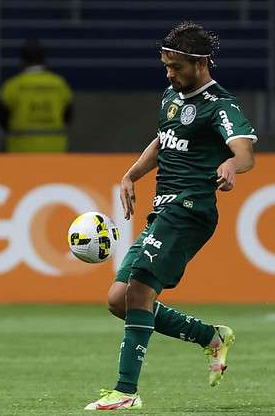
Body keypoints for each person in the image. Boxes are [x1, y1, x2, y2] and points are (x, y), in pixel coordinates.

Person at [84, 21, 257, 410]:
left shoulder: (220, 106)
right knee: (118, 299)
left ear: (201, 64)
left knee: (140, 288)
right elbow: (165, 139)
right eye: (166, 66)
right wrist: (132, 174)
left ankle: (126, 391)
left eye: (175, 67)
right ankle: (210, 336)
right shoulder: (171, 96)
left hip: (190, 210)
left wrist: (232, 164)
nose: (169, 73)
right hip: (163, 210)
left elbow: (245, 151)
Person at [0, 40, 73, 152]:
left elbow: (2, 119)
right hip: (55, 150)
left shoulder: (12, 86)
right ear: (44, 61)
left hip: (20, 151)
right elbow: (68, 117)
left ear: (22, 61)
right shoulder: (60, 84)